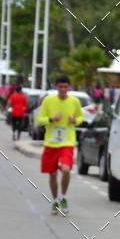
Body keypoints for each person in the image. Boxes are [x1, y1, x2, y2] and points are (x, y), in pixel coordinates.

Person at [37, 74, 84, 215]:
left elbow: (81, 117)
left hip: (67, 141)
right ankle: (55, 200)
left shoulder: (74, 101)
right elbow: (40, 120)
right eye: (60, 86)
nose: (63, 89)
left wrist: (75, 120)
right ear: (56, 87)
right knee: (52, 174)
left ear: (69, 87)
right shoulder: (48, 100)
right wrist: (51, 119)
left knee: (65, 169)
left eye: (65, 86)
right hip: (51, 142)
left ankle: (63, 196)